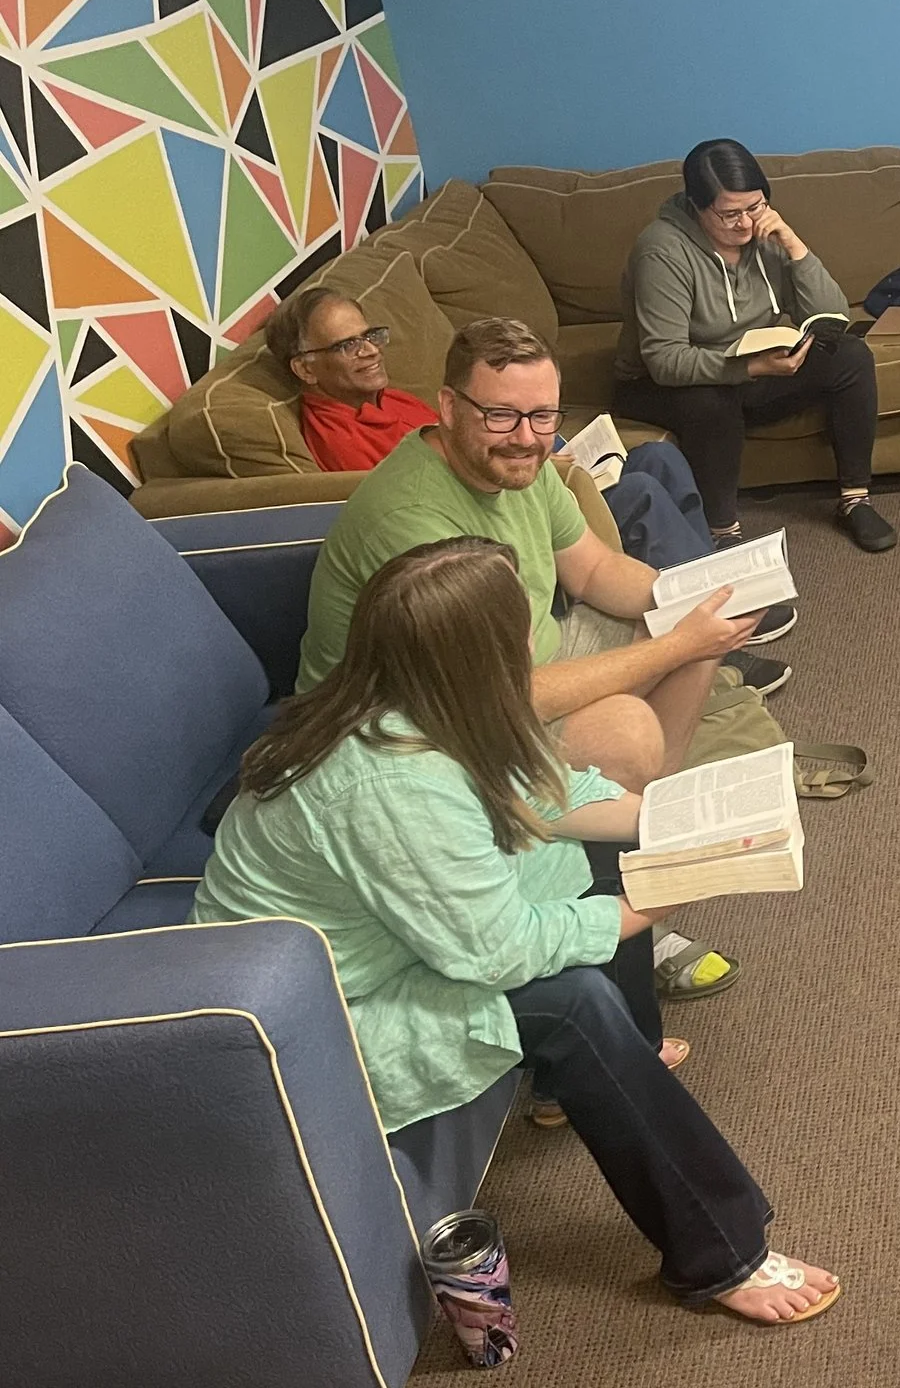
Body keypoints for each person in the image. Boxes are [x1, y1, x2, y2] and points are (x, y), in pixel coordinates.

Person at [192, 538, 838, 1324]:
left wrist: (673, 824)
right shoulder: (391, 785)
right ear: (483, 655)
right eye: (520, 630)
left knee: (598, 862)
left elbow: (542, 790)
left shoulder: (417, 700)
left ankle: (625, 1055)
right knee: (570, 1001)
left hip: (380, 940)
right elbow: (499, 951)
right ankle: (723, 1252)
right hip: (315, 1010)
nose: (534, 643)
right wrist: (657, 901)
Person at [299, 317, 765, 999]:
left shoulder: (525, 467)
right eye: (501, 415)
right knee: (632, 728)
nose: (526, 436)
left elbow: (595, 570)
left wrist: (694, 601)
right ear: (449, 406)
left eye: (543, 415)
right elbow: (502, 698)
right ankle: (618, 902)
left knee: (693, 638)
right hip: (423, 722)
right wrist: (674, 642)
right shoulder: (416, 521)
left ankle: (631, 839)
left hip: (518, 660)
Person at [264, 285, 750, 588]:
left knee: (658, 458)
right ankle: (709, 607)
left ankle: (706, 577)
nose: (370, 351)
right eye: (348, 345)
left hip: (530, 477)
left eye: (371, 336)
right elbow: (442, 496)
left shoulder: (392, 400)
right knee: (640, 490)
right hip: (507, 498)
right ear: (305, 368)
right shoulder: (338, 437)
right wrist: (543, 461)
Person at [613, 138, 896, 554]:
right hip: (660, 385)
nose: (744, 223)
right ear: (696, 204)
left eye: (755, 207)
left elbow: (834, 317)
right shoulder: (661, 251)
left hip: (752, 366)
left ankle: (855, 500)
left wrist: (794, 246)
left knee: (851, 355)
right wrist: (750, 369)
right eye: (730, 214)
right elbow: (664, 360)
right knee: (713, 400)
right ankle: (721, 531)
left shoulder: (765, 235)